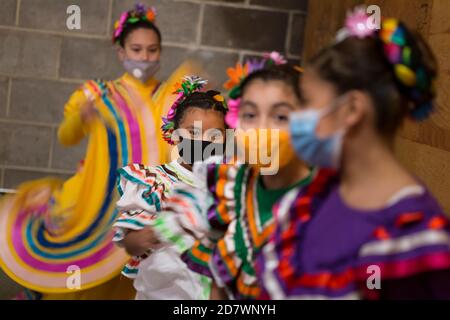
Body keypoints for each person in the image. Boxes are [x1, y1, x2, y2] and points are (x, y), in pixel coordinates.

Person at [0, 3, 200, 299]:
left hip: (145, 205)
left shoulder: (173, 97)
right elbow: (66, 136)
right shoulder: (98, 95)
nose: (144, 57)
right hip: (96, 199)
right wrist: (81, 117)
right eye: (136, 49)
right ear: (121, 52)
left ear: (160, 52)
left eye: (152, 50)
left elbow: (188, 146)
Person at [257, 8, 450, 300]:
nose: (296, 117)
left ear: (351, 110)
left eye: (307, 102)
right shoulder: (315, 195)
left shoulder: (412, 236)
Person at [151, 53, 314, 299]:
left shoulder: (324, 201)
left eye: (280, 117)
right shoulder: (231, 185)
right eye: (250, 115)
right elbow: (218, 282)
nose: (262, 129)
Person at [112, 76, 228, 299]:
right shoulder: (154, 182)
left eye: (214, 136)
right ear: (175, 134)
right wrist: (153, 233)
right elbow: (131, 244)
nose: (202, 142)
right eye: (192, 133)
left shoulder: (228, 187)